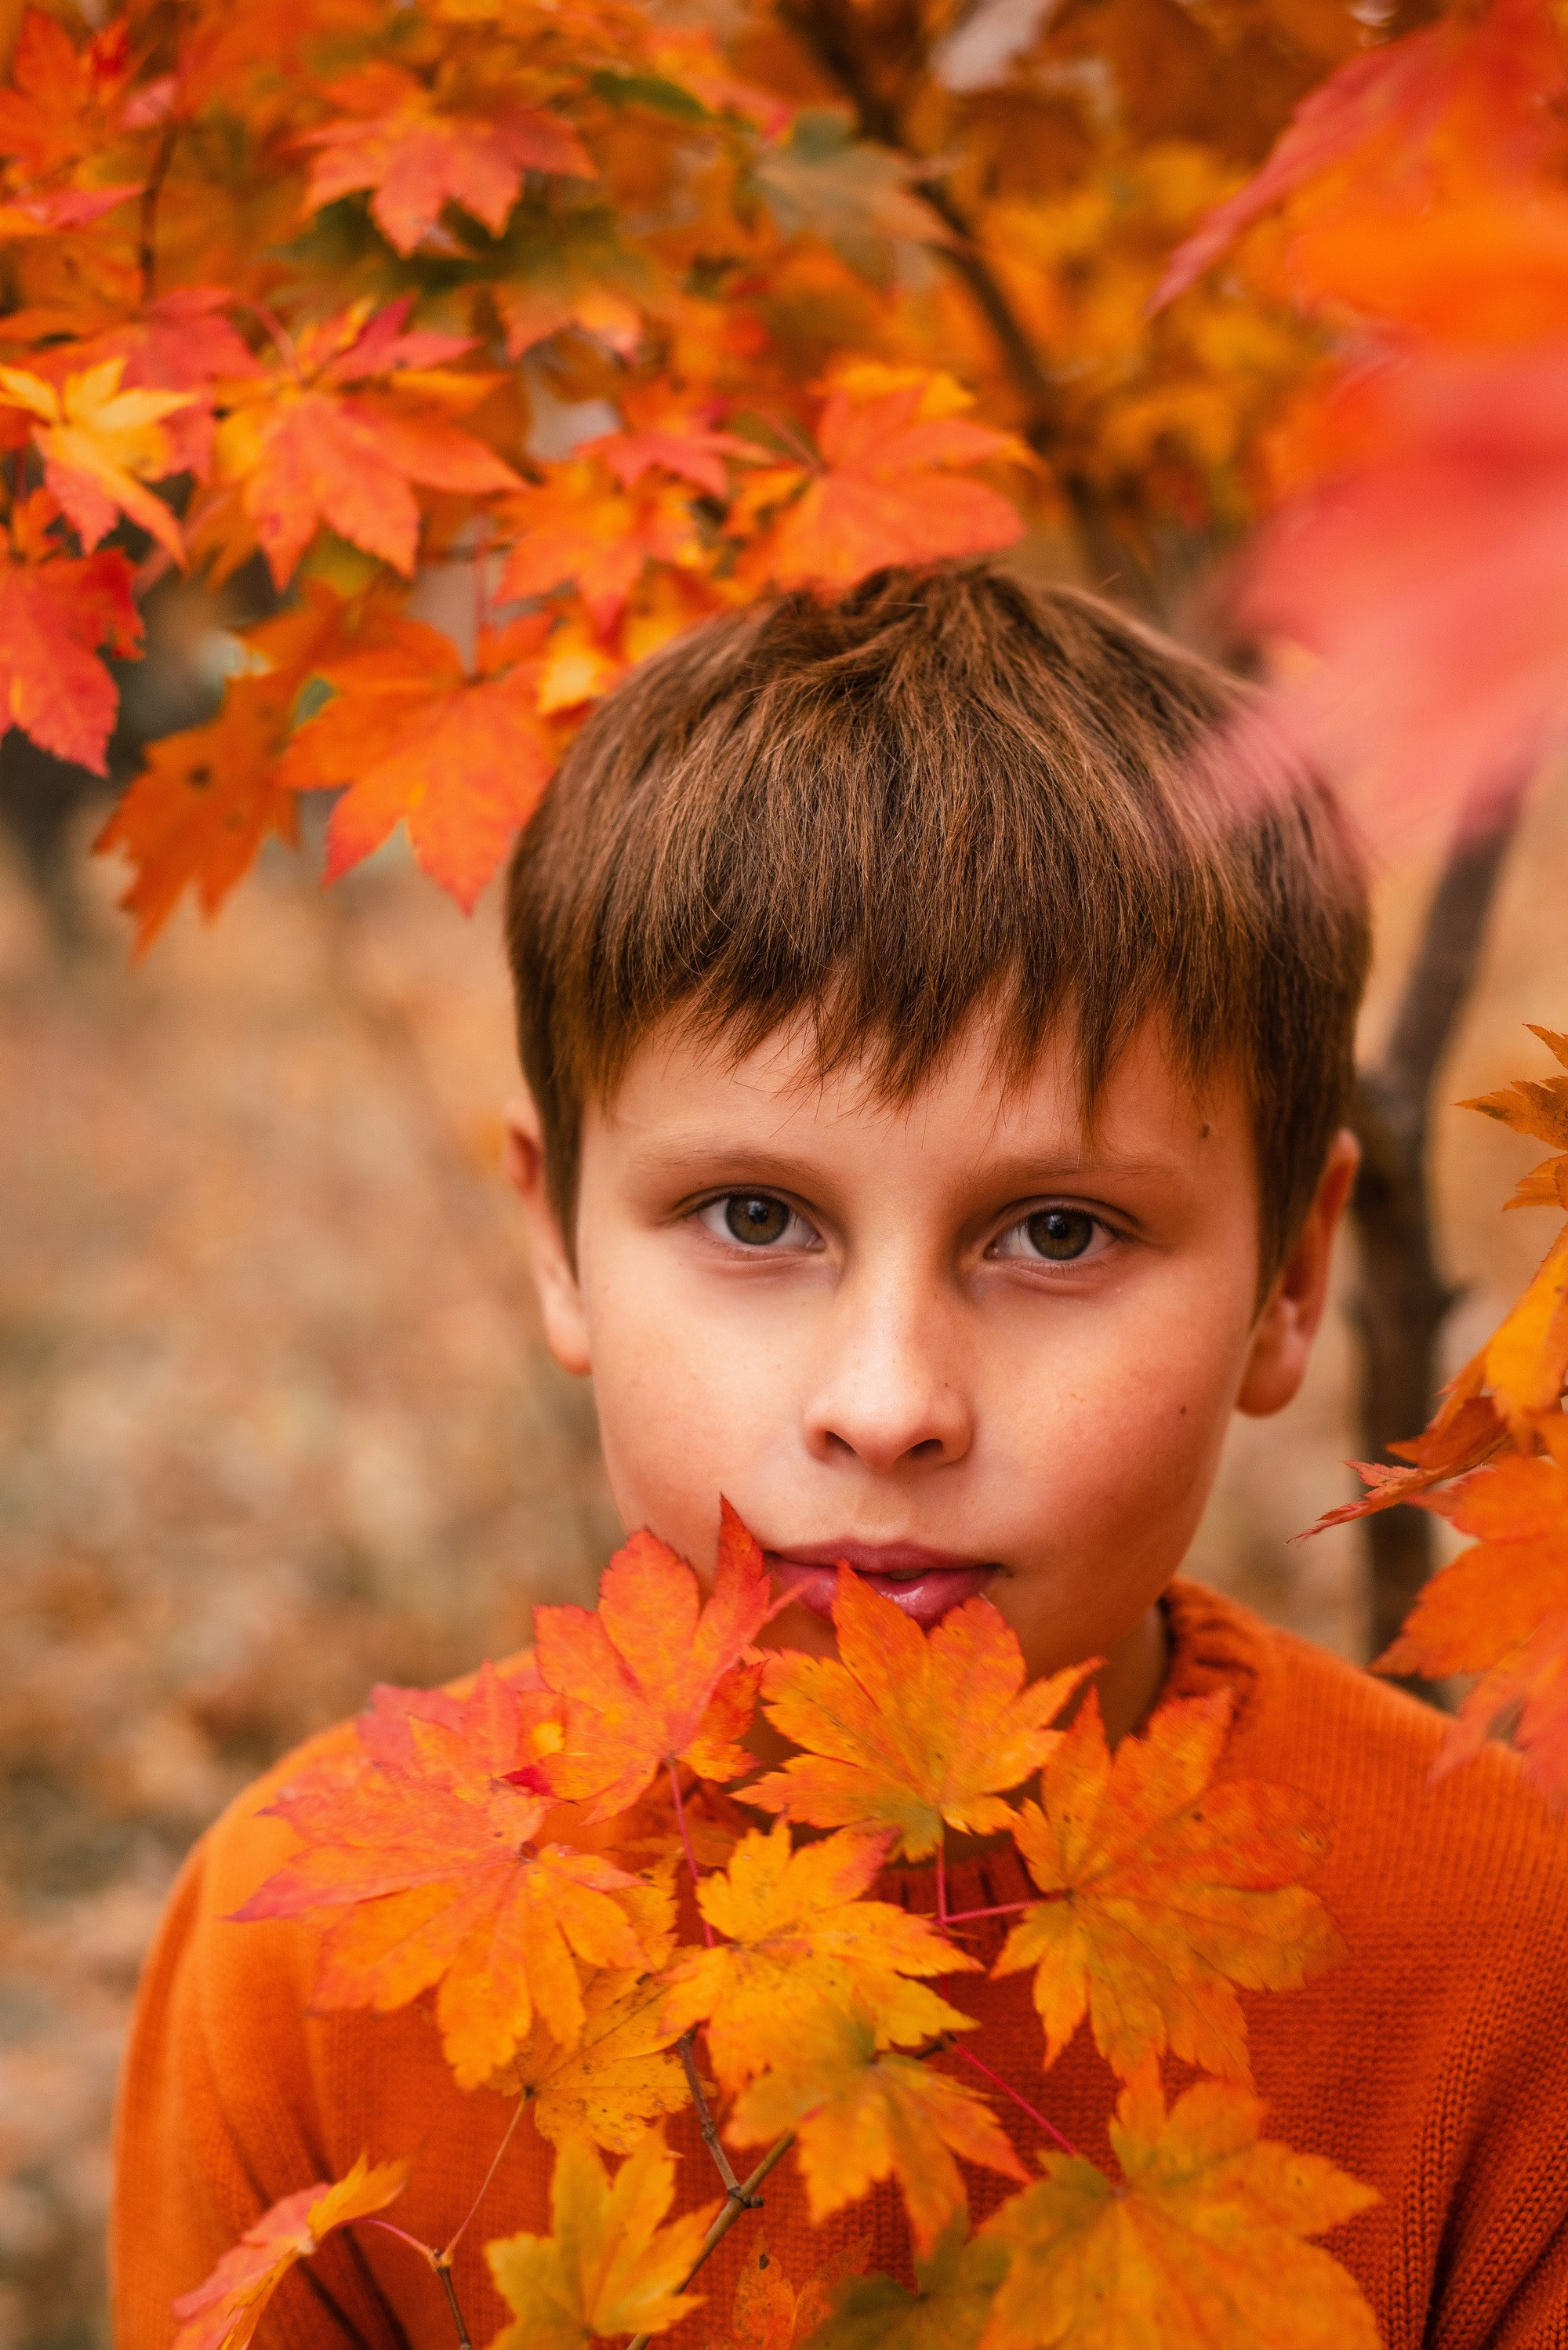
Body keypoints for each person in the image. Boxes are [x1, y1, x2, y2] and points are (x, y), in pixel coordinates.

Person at [112, 566, 1568, 2347]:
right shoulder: (302, 1948)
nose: (886, 1403)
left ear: (1291, 1277)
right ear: (556, 1238)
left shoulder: (1508, 1950)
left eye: (1055, 1232)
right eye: (755, 1215)